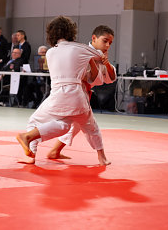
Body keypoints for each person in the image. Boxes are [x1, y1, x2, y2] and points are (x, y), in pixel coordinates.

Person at [15, 16, 109, 166]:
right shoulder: (79, 48)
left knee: (37, 121)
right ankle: (102, 157)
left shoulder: (50, 52)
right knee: (91, 128)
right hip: (77, 97)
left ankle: (31, 154)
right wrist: (100, 58)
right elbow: (99, 55)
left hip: (57, 96)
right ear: (71, 31)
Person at [47, 25, 116, 160]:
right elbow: (86, 77)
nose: (107, 45)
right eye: (105, 41)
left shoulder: (100, 55)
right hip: (71, 92)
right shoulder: (81, 51)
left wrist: (106, 64)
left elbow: (110, 78)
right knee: (86, 126)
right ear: (94, 38)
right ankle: (101, 156)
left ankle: (53, 150)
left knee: (75, 125)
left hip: (80, 94)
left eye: (110, 43)